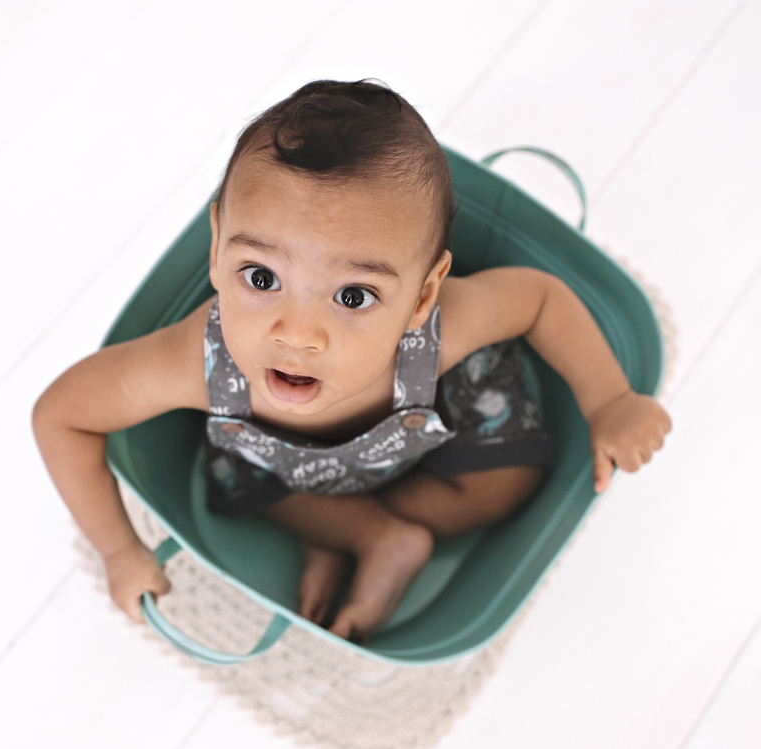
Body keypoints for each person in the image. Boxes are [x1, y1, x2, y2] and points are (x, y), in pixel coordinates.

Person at [33, 79, 671, 642]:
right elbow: (62, 414)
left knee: (511, 481)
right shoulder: (197, 362)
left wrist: (609, 400)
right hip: (286, 467)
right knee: (240, 484)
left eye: (353, 295)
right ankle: (370, 535)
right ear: (216, 251)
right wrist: (118, 549)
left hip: (426, 430)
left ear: (422, 296)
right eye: (260, 276)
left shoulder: (442, 330)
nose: (298, 335)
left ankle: (367, 530)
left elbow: (538, 298)